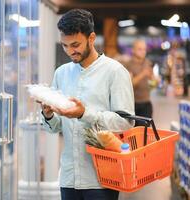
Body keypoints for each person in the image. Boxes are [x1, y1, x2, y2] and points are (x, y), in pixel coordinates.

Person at [39, 9, 134, 200]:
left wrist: (84, 114)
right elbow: (55, 128)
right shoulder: (62, 73)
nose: (69, 51)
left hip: (102, 177)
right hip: (68, 176)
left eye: (75, 45)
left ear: (91, 38)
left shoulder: (115, 72)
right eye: (65, 45)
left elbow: (125, 122)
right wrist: (48, 114)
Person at [125, 39, 155, 125]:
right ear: (133, 50)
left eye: (144, 49)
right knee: (133, 132)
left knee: (144, 133)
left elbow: (152, 83)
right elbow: (129, 84)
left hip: (146, 103)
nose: (143, 52)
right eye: (140, 49)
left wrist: (154, 80)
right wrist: (143, 74)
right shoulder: (128, 65)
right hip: (133, 105)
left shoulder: (148, 63)